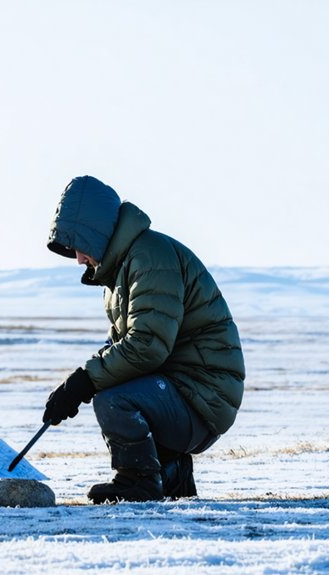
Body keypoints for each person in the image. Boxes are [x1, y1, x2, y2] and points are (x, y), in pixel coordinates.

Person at [43, 175, 245, 503]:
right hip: (189, 391)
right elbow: (122, 346)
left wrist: (87, 381)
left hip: (204, 396)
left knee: (113, 398)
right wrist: (74, 387)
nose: (78, 258)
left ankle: (138, 480)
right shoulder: (125, 269)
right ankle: (170, 475)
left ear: (96, 233)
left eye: (78, 244)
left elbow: (147, 345)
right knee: (113, 385)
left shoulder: (150, 259)